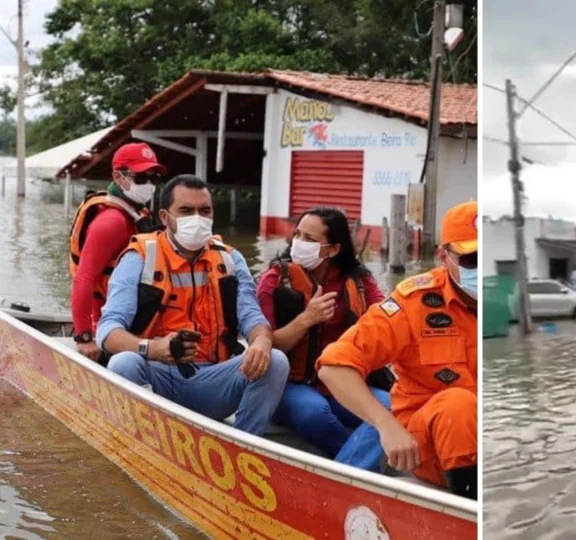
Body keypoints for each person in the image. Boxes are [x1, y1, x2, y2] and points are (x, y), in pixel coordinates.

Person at [96, 175, 289, 436]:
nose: (197, 218)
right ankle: (144, 438)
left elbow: (251, 317)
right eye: (186, 211)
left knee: (275, 360)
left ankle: (244, 448)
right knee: (124, 363)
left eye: (204, 211)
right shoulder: (140, 256)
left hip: (213, 380)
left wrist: (262, 341)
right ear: (165, 217)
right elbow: (107, 332)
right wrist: (153, 348)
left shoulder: (230, 258)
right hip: (158, 378)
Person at [317, 201, 478, 499]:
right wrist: (386, 425)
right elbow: (334, 367)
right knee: (458, 404)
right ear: (444, 257)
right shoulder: (413, 303)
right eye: (472, 259)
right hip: (430, 444)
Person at [256, 206, 392, 471]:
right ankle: (359, 469)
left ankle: (351, 468)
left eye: (310, 239)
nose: (299, 243)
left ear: (333, 250)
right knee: (313, 412)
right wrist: (307, 318)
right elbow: (266, 343)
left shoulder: (359, 282)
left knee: (396, 406)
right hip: (290, 384)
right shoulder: (274, 280)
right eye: (298, 235)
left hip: (344, 381)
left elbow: (389, 319)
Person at [69, 142, 166, 361]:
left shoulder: (137, 213)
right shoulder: (111, 222)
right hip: (106, 325)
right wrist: (84, 337)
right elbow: (83, 277)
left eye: (154, 178)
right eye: (141, 178)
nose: (149, 185)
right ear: (118, 177)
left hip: (131, 318)